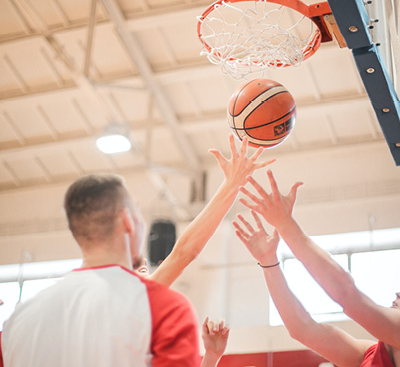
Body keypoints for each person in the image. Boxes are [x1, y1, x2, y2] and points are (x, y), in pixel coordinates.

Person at [1, 173, 201, 367]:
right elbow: (183, 254)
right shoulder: (165, 308)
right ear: (127, 221)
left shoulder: (17, 321)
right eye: (138, 211)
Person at [233, 169, 400, 367]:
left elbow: (346, 294)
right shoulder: (369, 354)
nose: (396, 294)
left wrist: (286, 226)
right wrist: (269, 262)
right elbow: (302, 329)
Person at [134, 133, 273, 365]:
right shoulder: (130, 306)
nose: (146, 269)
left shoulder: (151, 335)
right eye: (138, 268)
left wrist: (211, 357)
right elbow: (184, 252)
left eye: (144, 267)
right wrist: (232, 184)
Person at [144, 133, 275, 287]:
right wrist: (231, 185)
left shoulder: (133, 294)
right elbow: (184, 252)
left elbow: (184, 252)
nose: (142, 266)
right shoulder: (137, 295)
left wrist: (232, 185)